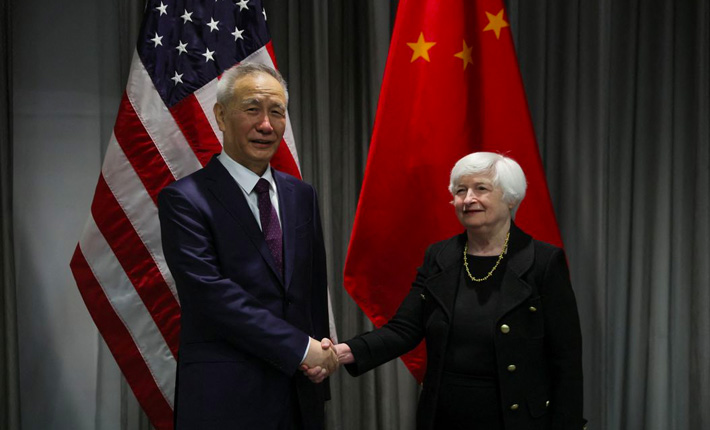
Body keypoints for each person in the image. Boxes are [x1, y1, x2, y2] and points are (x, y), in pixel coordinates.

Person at [307, 152, 586, 429]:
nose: (467, 199)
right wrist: (343, 352)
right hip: (445, 416)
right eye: (460, 190)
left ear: (511, 197)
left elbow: (566, 360)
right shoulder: (440, 257)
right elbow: (404, 329)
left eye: (481, 189)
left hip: (516, 419)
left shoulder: (543, 262)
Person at [159, 63, 336, 430]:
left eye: (277, 112)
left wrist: (319, 362)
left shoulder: (301, 195)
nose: (266, 125)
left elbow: (311, 289)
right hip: (226, 397)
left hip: (299, 393)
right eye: (252, 109)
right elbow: (210, 295)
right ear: (221, 116)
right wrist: (301, 349)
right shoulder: (184, 199)